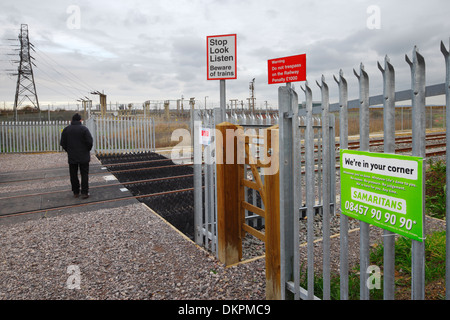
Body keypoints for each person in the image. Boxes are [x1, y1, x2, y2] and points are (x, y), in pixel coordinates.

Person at [60, 113, 93, 199]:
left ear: (72, 120)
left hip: (72, 156)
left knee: (73, 174)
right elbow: (90, 142)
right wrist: (86, 150)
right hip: (84, 156)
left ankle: (76, 192)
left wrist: (69, 150)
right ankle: (84, 192)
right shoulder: (84, 129)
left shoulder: (66, 130)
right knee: (84, 174)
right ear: (80, 120)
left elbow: (63, 143)